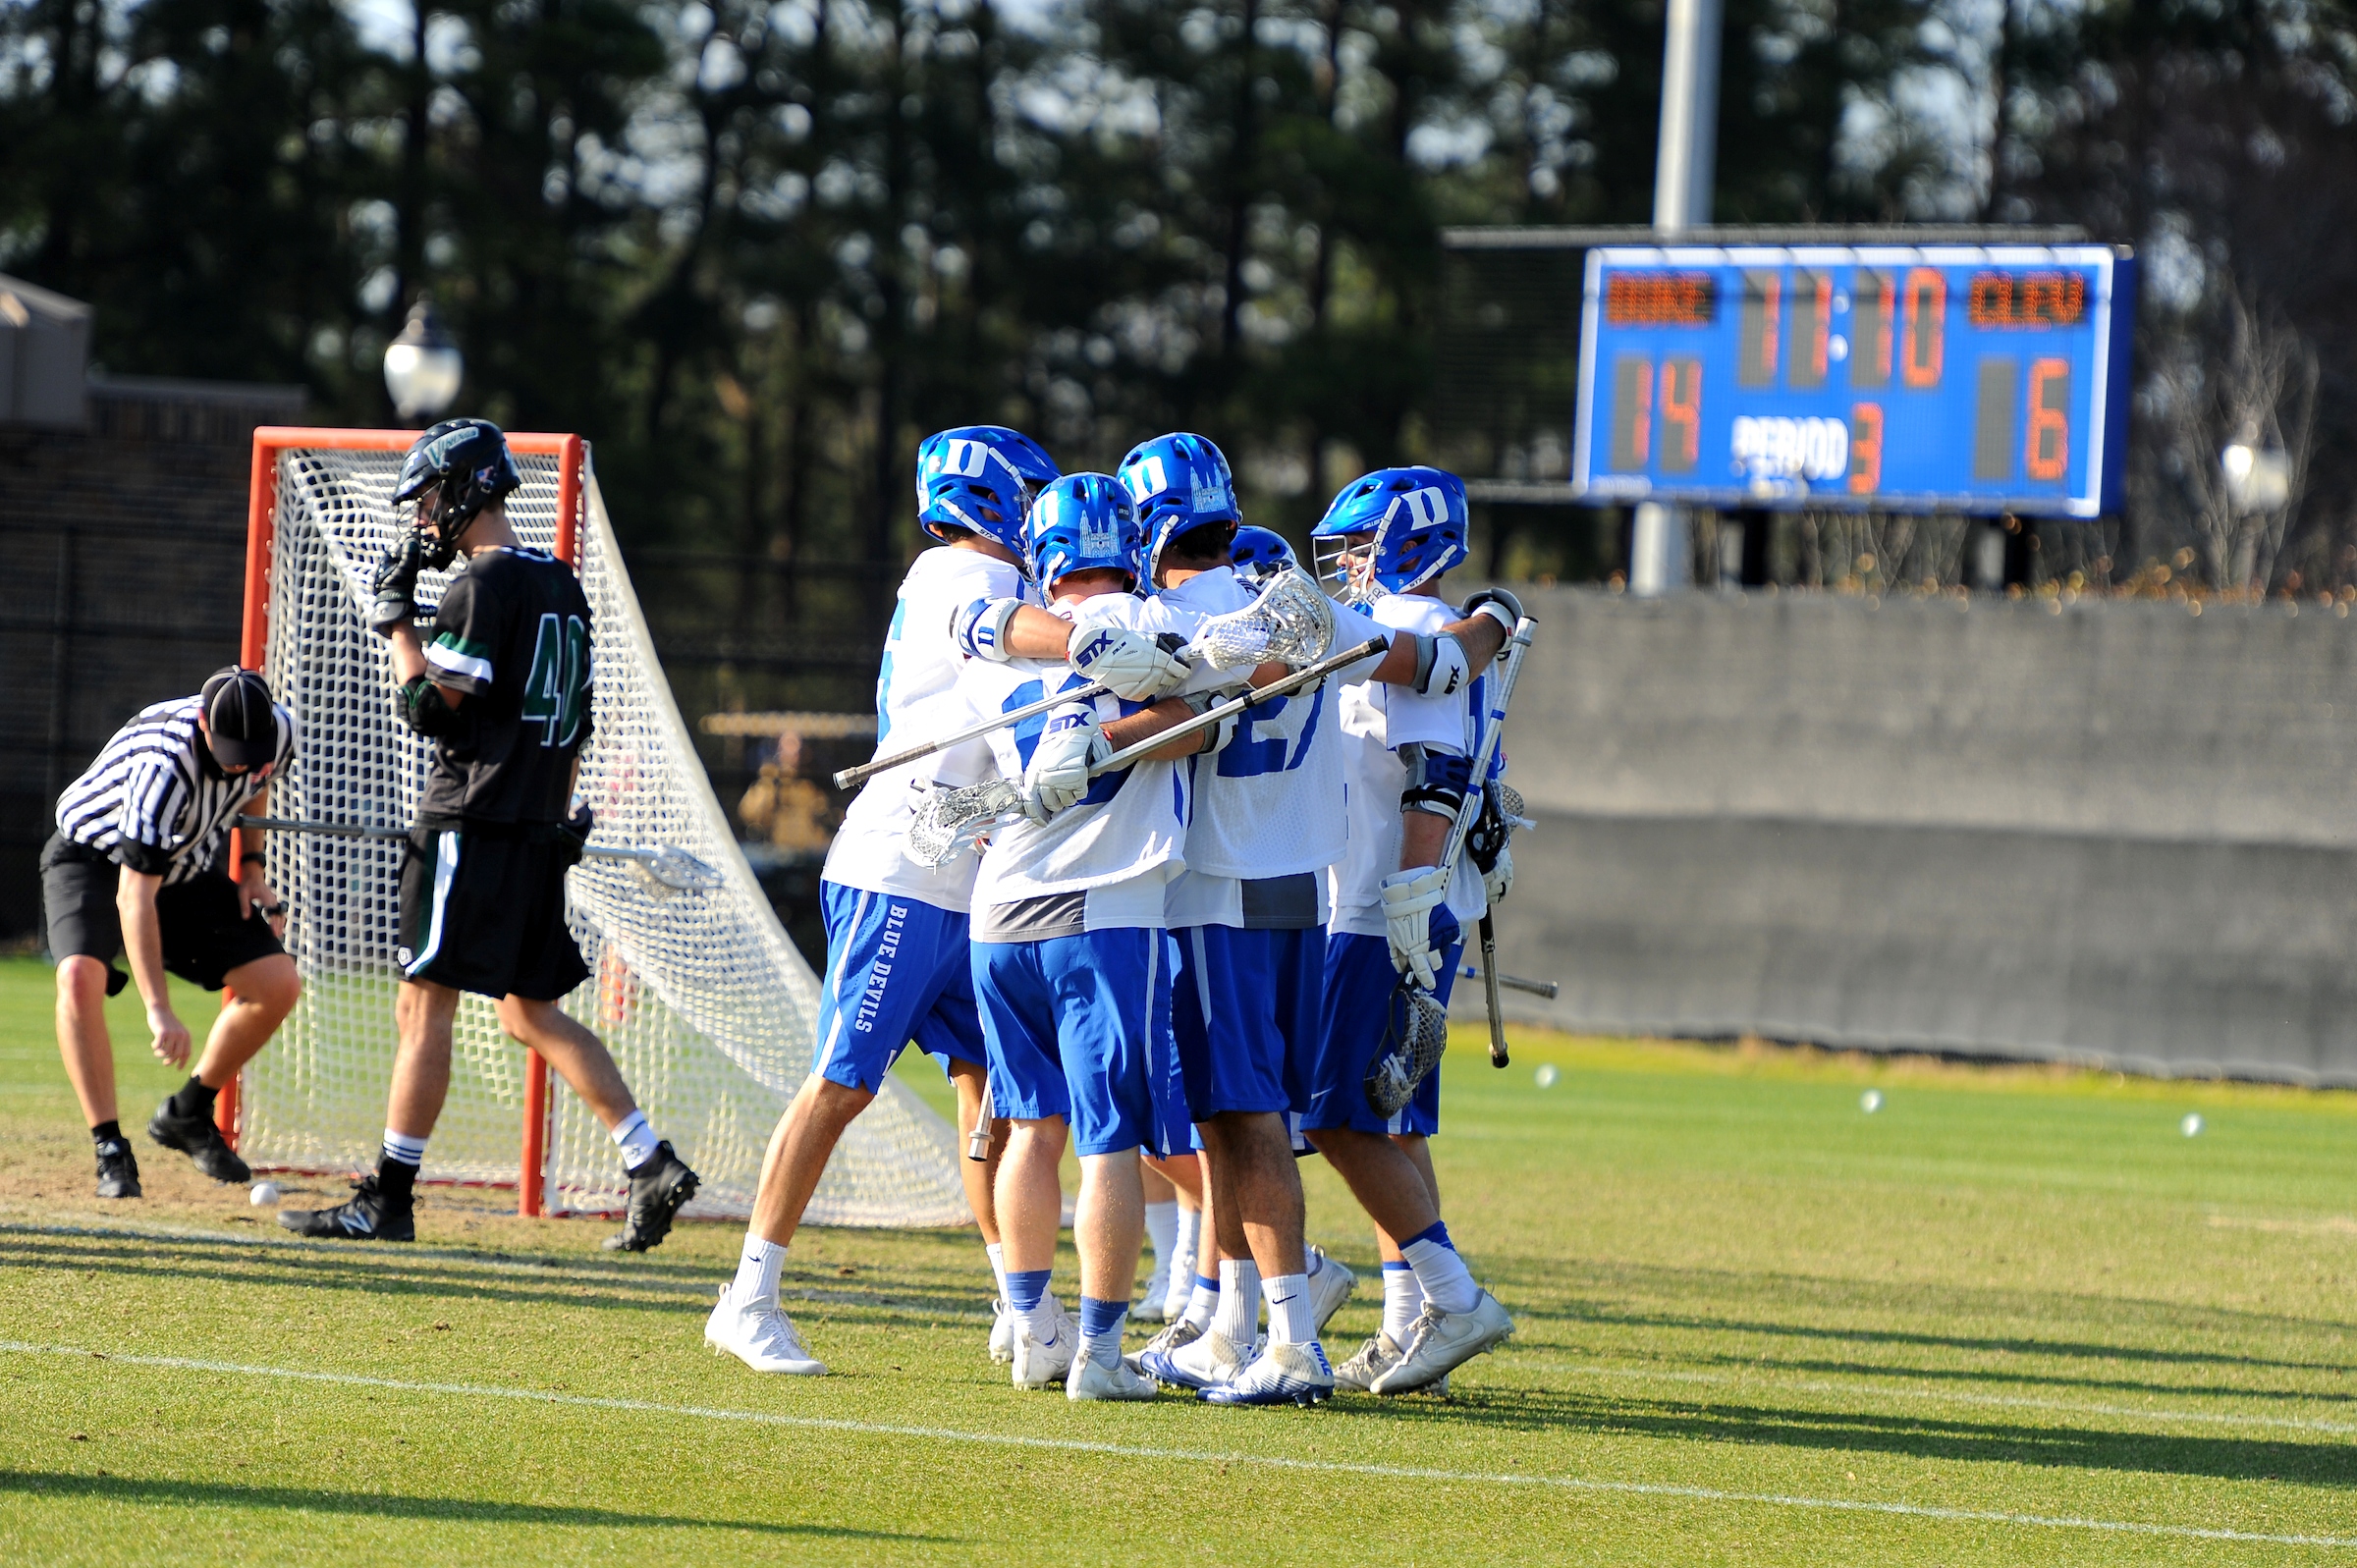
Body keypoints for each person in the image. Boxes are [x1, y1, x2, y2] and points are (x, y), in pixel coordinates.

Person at [703, 427, 1184, 1376]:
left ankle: (1022, 1305)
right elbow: (1000, 630)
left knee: (990, 1096)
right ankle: (748, 1295)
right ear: (991, 499)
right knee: (843, 1082)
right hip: (903, 868)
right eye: (1030, 495)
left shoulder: (991, 575)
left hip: (970, 877)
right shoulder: (960, 572)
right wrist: (1097, 640)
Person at [280, 418, 699, 1248]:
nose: (422, 515)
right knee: (528, 1011)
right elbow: (575, 725)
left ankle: (388, 1197)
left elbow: (429, 710)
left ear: (467, 489)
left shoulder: (485, 583)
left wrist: (396, 623)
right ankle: (648, 1159)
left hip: (471, 821)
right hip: (536, 825)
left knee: (422, 1002)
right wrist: (558, 817)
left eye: (430, 497)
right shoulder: (561, 584)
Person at [958, 471, 1234, 1400]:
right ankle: (1103, 1354)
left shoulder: (1000, 637)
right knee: (1108, 1138)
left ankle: (1034, 1327)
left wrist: (1094, 697)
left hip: (1000, 909)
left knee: (1032, 1129)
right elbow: (1220, 713)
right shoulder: (1158, 623)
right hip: (1104, 904)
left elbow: (980, 625)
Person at [1303, 466, 1518, 1395]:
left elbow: (1435, 774)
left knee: (1334, 1115)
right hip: (1388, 900)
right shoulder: (1421, 625)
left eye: (1360, 545)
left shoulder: (1421, 626)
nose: (1348, 563)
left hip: (1382, 907)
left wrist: (1407, 899)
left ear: (1407, 542)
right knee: (1387, 1120)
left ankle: (1452, 1295)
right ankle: (1407, 1323)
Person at [42, 667, 300, 1198]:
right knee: (80, 979)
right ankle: (110, 1147)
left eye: (250, 753)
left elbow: (259, 781)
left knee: (278, 984)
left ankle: (188, 1112)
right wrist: (157, 1008)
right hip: (93, 859)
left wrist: (252, 866)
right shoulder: (164, 766)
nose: (240, 764)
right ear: (205, 724)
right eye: (231, 752)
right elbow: (133, 897)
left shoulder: (277, 733)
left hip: (181, 865)